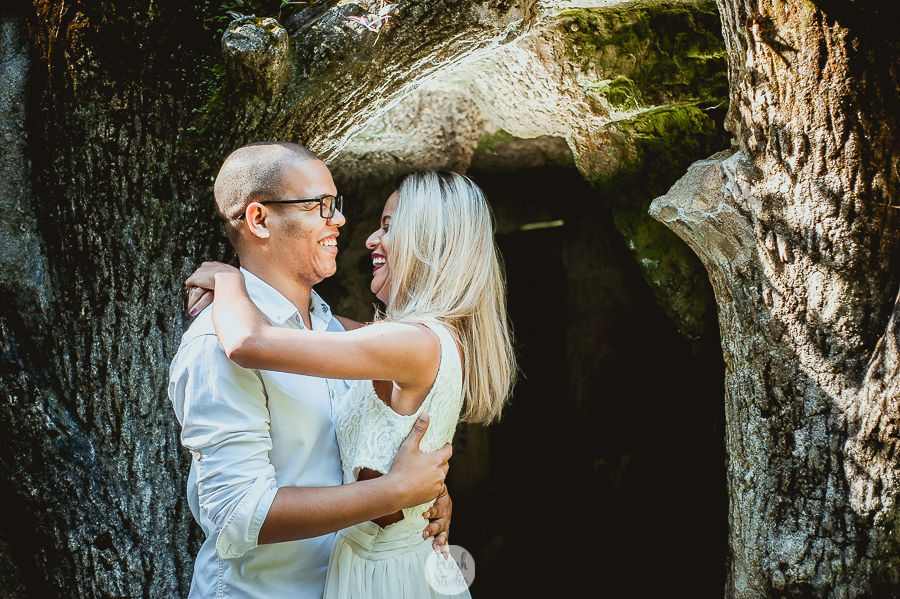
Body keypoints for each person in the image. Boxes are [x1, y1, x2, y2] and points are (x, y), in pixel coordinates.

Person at [186, 169, 516, 598]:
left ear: (429, 242)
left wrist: (230, 279)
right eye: (322, 206)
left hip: (383, 576)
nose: (366, 237)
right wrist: (411, 494)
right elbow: (317, 329)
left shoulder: (410, 342)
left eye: (388, 227)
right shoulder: (412, 339)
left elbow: (248, 342)